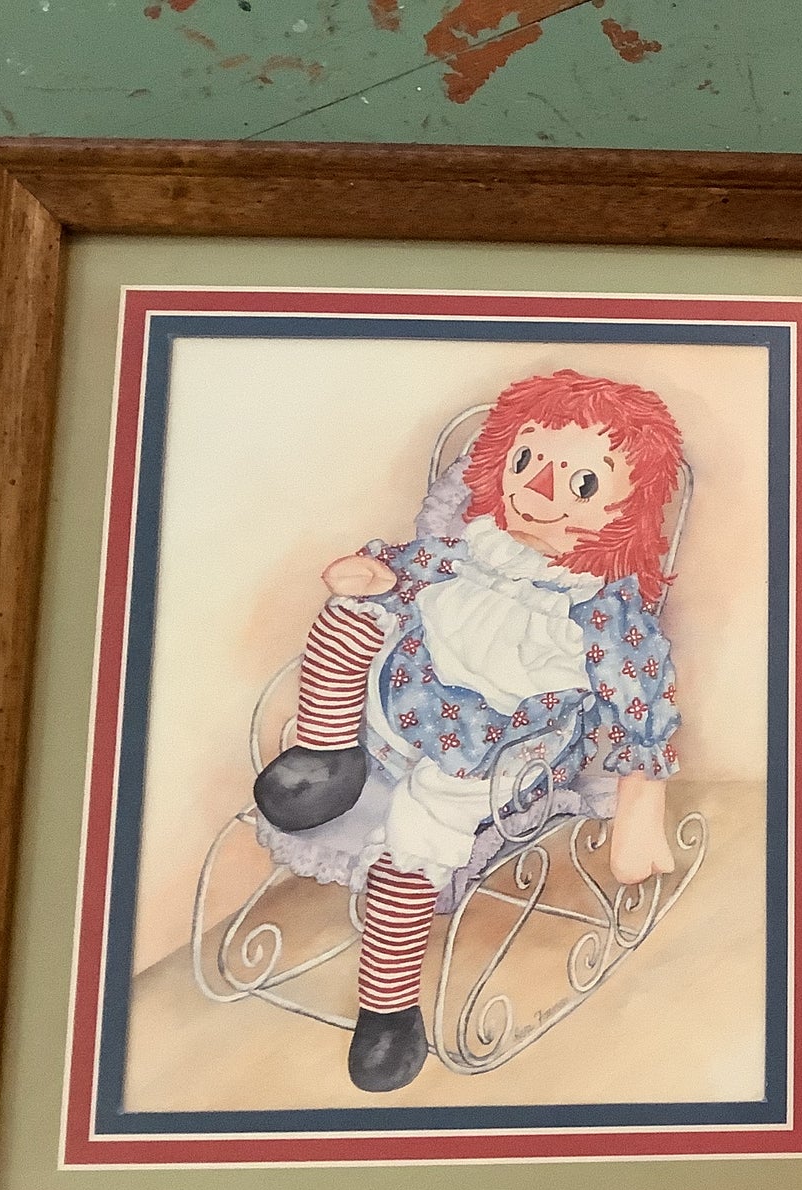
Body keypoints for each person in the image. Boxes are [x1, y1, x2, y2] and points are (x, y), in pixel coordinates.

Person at [251, 370, 686, 1093]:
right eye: (527, 459)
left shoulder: (602, 610)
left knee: (411, 854)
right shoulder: (477, 547)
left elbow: (641, 703)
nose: (538, 487)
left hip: (494, 753)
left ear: (627, 510)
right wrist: (376, 575)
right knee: (350, 617)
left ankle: (388, 1011)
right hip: (405, 706)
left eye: (580, 483)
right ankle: (326, 756)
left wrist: (640, 811)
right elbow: (413, 568)